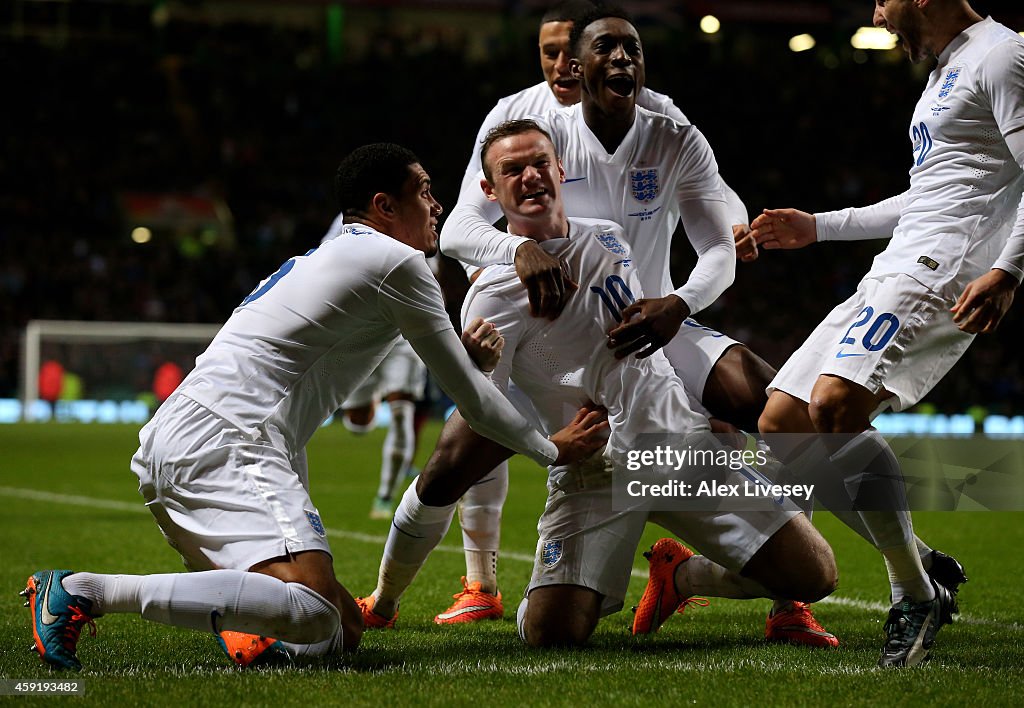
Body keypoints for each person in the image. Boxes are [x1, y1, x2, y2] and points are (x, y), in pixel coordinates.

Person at [22, 143, 607, 671]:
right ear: (384, 205)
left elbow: (400, 368)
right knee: (316, 615)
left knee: (340, 631)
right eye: (424, 192)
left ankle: (250, 623)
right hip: (233, 442)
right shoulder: (396, 263)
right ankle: (83, 590)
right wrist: (549, 448)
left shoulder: (341, 257)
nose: (437, 205)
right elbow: (475, 403)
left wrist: (469, 363)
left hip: (189, 438)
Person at [438, 5, 834, 646]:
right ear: (570, 63)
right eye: (591, 50)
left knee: (769, 398)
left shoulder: (670, 126)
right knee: (465, 444)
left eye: (631, 50)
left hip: (656, 324)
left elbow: (718, 210)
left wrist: (688, 290)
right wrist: (516, 251)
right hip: (564, 355)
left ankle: (784, 594)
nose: (613, 61)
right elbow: (459, 224)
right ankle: (478, 580)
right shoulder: (532, 130)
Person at [357, 119, 837, 647]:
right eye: (512, 170)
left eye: (540, 163)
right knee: (551, 634)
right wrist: (542, 441)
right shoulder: (493, 295)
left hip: (682, 450)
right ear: (490, 192)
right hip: (596, 471)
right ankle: (413, 596)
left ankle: (681, 576)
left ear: (561, 169)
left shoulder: (608, 236)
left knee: (815, 576)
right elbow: (482, 404)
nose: (530, 177)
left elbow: (630, 346)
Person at [739, 0, 1021, 667]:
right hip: (893, 266)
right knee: (783, 422)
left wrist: (1009, 269)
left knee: (835, 406)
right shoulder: (946, 71)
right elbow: (924, 198)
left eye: (883, 0)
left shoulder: (1003, 54)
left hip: (943, 268)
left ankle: (911, 593)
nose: (877, 13)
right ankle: (923, 566)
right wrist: (820, 226)